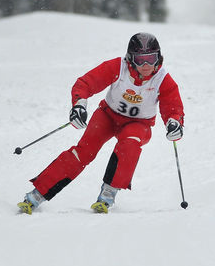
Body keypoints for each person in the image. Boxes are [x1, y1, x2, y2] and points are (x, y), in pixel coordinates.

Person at [18, 32, 185, 214]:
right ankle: (36, 195)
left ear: (158, 57)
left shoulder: (162, 78)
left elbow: (173, 106)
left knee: (130, 144)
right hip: (108, 116)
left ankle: (107, 195)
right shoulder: (118, 67)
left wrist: (174, 122)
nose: (146, 65)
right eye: (140, 59)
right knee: (84, 152)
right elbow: (85, 84)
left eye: (151, 58)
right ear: (130, 58)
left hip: (139, 124)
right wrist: (79, 105)